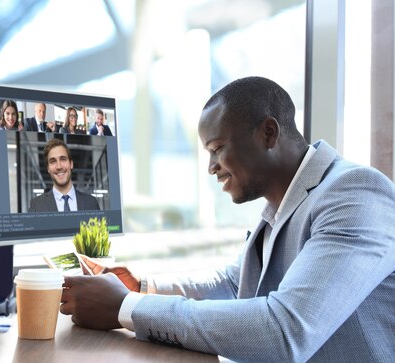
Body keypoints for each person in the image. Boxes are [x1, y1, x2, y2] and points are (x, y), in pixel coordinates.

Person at [59, 76, 395, 362]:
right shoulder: (280, 207)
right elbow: (235, 284)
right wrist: (144, 287)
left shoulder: (354, 193)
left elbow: (286, 329)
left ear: (268, 133)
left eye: (217, 148)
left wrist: (127, 306)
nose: (211, 167)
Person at [28, 138, 100, 212]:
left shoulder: (91, 202)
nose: (59, 167)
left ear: (71, 164)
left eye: (63, 159)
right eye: (53, 161)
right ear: (48, 169)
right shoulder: (36, 205)